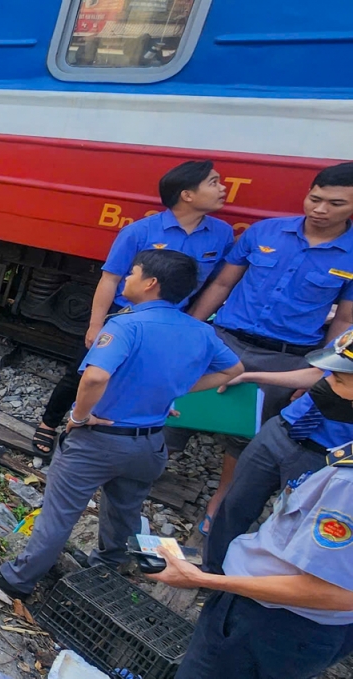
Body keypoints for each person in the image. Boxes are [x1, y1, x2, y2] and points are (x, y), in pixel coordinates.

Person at [0, 249, 243, 597]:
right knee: (125, 508)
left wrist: (79, 416)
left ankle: (18, 579)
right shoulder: (199, 331)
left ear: (150, 284)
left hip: (101, 439)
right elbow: (233, 371)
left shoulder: (126, 325)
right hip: (150, 444)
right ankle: (108, 567)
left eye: (133, 273)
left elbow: (95, 377)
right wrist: (172, 393)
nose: (126, 278)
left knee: (60, 513)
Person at [189, 161, 353, 534]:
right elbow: (221, 285)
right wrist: (193, 329)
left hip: (284, 357)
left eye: (336, 204)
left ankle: (220, 500)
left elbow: (344, 321)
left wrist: (321, 373)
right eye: (315, 198)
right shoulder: (266, 231)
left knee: (244, 435)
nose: (320, 210)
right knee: (179, 408)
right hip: (224, 341)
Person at [32, 161, 231, 457]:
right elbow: (110, 278)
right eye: (213, 182)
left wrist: (191, 324)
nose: (223, 188)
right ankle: (49, 423)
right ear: (187, 194)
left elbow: (214, 285)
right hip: (124, 317)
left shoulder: (222, 234)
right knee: (82, 371)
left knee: (141, 376)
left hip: (170, 322)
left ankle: (107, 431)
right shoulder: (140, 231)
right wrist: (95, 325)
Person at [147, 441, 353, 679]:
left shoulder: (347, 484)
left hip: (275, 620)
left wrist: (201, 579)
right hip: (292, 620)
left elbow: (337, 592)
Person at [203, 329, 353, 572]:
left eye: (339, 378)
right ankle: (211, 572)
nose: (326, 382)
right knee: (234, 505)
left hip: (328, 458)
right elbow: (319, 372)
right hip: (283, 429)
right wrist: (249, 376)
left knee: (295, 528)